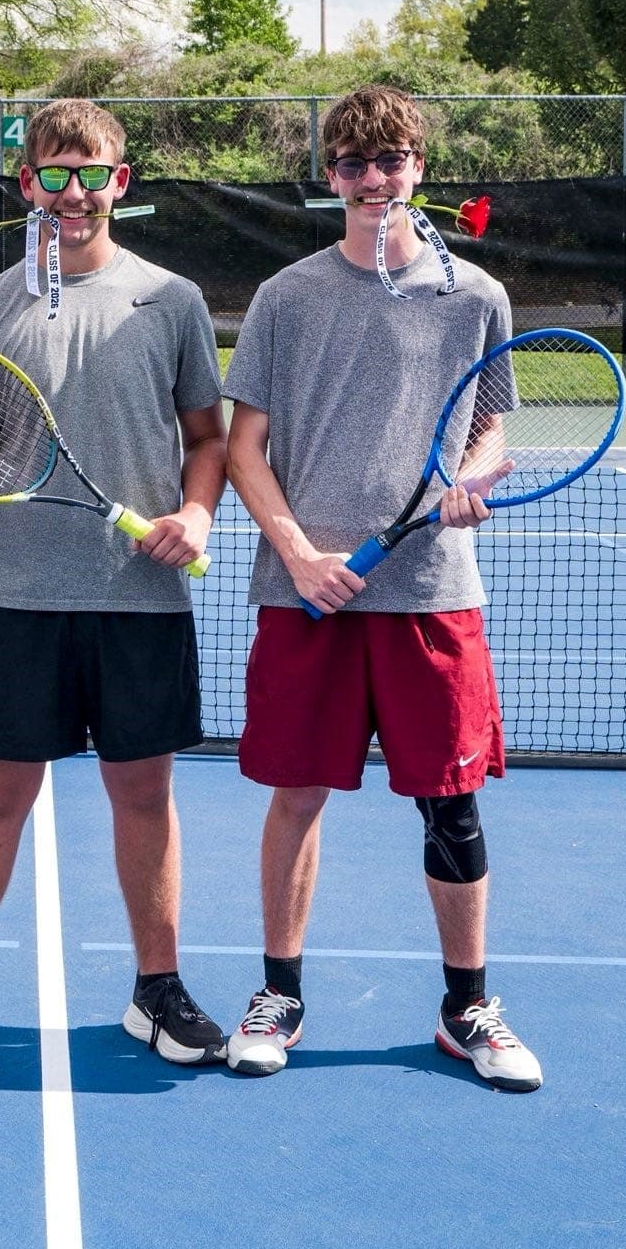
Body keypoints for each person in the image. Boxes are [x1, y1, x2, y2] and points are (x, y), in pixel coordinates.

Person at [0, 99, 229, 1071]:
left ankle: (157, 991)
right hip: (16, 597)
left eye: (92, 174)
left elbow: (207, 441)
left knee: (142, 798)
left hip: (140, 600)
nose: (72, 193)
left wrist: (195, 516)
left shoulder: (172, 302)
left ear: (120, 183)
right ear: (24, 184)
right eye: (53, 174)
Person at [219, 83, 542, 1092]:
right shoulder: (284, 296)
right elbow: (243, 449)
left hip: (432, 593)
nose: (373, 179)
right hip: (305, 596)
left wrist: (467, 478)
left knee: (449, 806)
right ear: (331, 177)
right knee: (296, 799)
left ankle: (466, 1008)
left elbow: (489, 421)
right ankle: (278, 993)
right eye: (354, 164)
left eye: (390, 161)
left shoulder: (473, 295)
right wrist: (298, 554)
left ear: (416, 169)